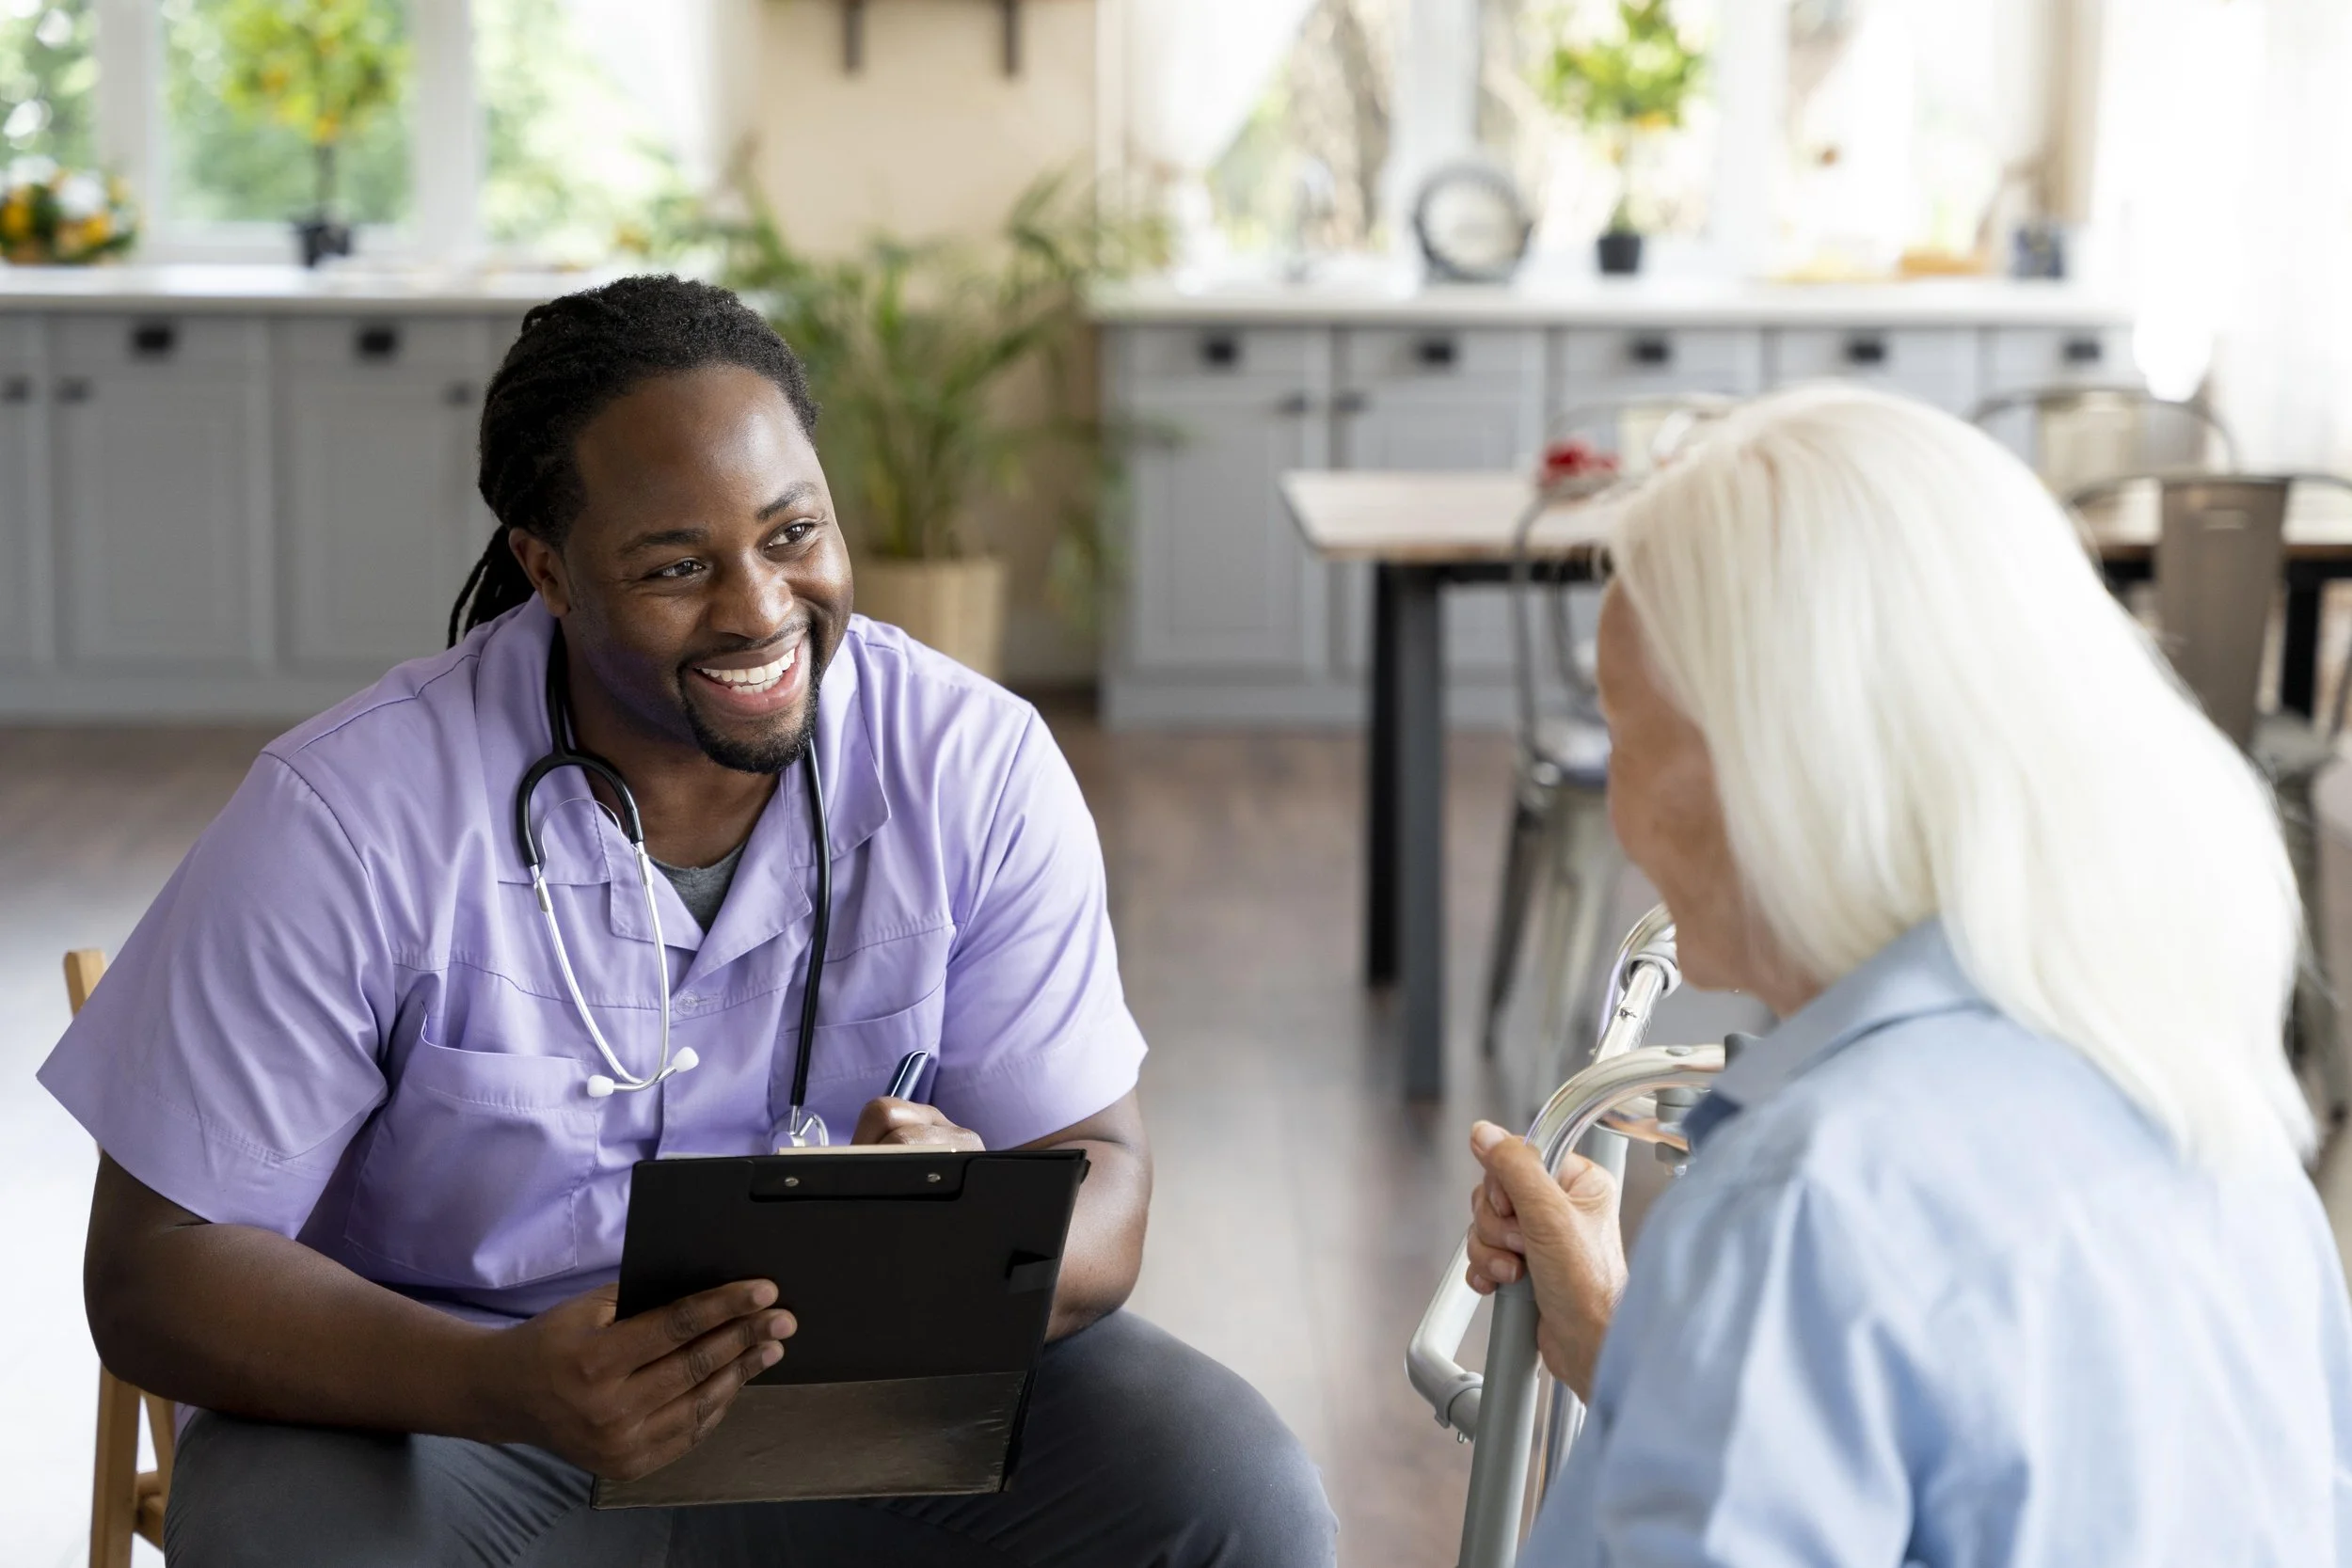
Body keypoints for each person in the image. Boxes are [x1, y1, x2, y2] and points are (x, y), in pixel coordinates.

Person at [40, 275, 1334, 1568]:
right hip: (456, 1409)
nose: (761, 610)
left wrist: (973, 1230)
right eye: (676, 566)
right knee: (291, 1534)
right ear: (546, 569)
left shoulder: (972, 764)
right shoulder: (350, 815)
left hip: (872, 1392)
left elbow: (1104, 1167)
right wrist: (505, 1381)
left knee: (1233, 1496)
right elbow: (158, 1271)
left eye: (792, 534)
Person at [1462, 385, 2352, 1564]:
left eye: (1629, 739)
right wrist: (1654, 1351)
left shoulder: (1805, 1204)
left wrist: (1715, 1320)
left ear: (1765, 768)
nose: (1622, 814)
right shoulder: (2221, 1127)